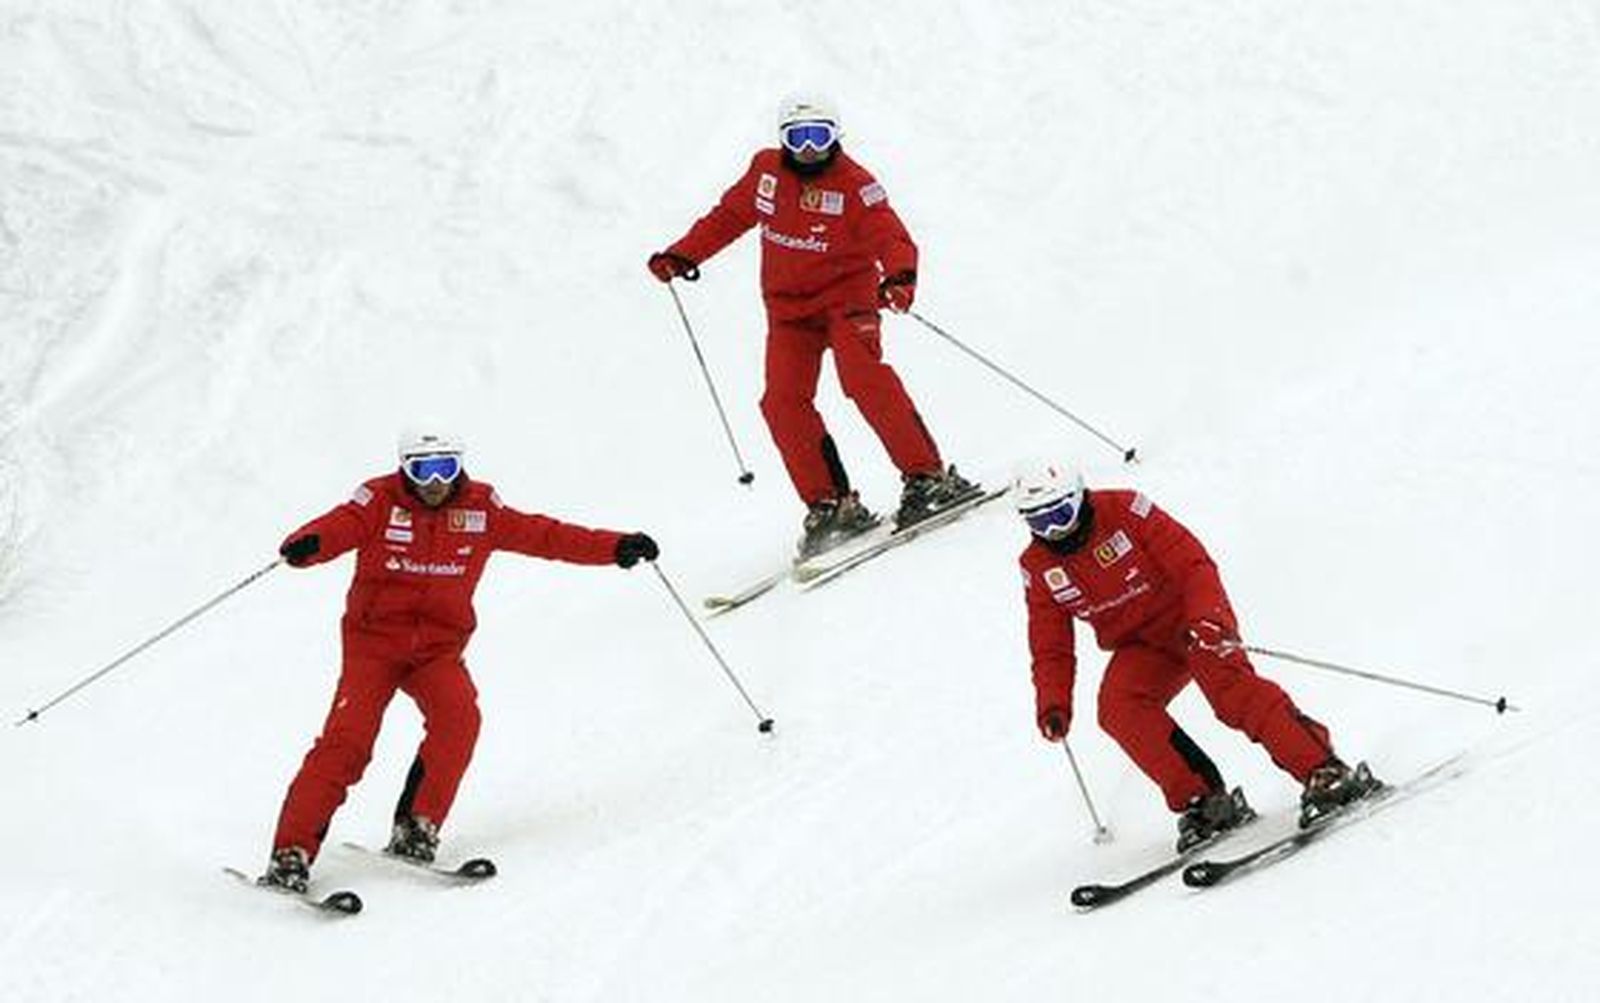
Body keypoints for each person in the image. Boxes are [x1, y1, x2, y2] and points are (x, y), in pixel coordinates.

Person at [258, 431, 660, 892]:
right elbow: (338, 525)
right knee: (348, 742)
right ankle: (290, 854)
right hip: (374, 645)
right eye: (423, 469)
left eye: (446, 468)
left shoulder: (480, 509)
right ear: (404, 469)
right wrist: (309, 545)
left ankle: (417, 828)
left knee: (459, 719)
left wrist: (614, 547)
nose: (435, 481)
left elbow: (546, 536)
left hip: (436, 649)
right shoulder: (377, 501)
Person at [647, 95, 978, 559]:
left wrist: (900, 276)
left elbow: (890, 232)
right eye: (796, 138)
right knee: (781, 402)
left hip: (848, 301)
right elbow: (729, 216)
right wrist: (683, 255)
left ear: (835, 137)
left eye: (818, 136)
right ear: (781, 140)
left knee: (862, 379)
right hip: (788, 311)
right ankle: (831, 506)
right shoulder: (765, 172)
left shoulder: (856, 185)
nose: (807, 149)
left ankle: (928, 478)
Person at [1013, 462, 1380, 850]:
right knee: (1119, 707)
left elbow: (1192, 565)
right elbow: (1049, 642)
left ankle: (1325, 771)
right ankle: (1204, 799)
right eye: (1038, 522)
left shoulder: (1125, 510)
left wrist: (1207, 620)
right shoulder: (1038, 567)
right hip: (1141, 646)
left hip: (1191, 620)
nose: (1053, 530)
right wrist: (1053, 702)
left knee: (1230, 692)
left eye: (1059, 514)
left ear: (1078, 497)